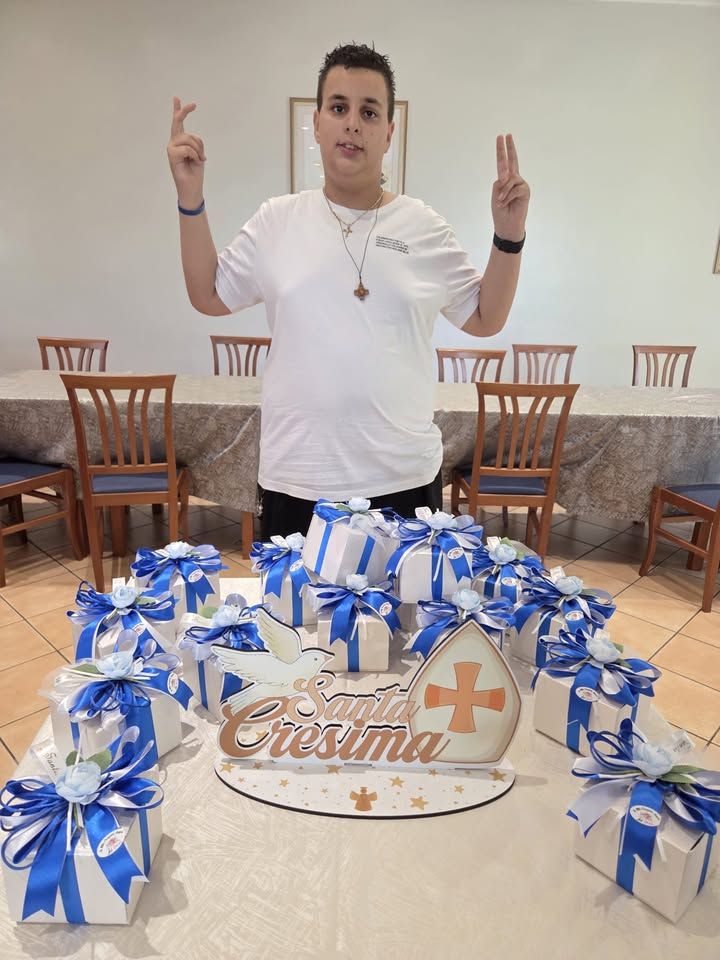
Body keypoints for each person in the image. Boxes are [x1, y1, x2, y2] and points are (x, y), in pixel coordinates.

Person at [167, 43, 530, 539]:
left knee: (403, 595)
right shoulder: (277, 220)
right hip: (298, 477)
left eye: (369, 112)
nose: (353, 124)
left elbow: (486, 318)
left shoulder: (423, 227)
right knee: (294, 595)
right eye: (339, 108)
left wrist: (508, 235)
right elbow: (208, 294)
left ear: (389, 132)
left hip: (402, 476)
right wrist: (190, 199)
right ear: (317, 123)